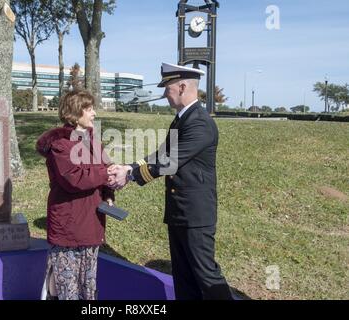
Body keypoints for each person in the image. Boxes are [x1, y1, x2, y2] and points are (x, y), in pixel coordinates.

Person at [108, 62, 233, 300]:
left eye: (168, 87)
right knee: (184, 276)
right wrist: (129, 167)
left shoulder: (199, 123)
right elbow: (161, 154)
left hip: (195, 214)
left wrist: (131, 175)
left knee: (206, 276)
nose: (165, 93)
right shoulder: (181, 119)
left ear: (183, 86)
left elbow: (170, 161)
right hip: (179, 211)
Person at [36, 90, 114, 300]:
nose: (94, 113)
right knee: (66, 288)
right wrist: (107, 173)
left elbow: (104, 170)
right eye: (89, 109)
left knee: (88, 287)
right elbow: (75, 179)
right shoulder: (61, 145)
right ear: (74, 112)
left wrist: (109, 191)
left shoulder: (93, 142)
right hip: (68, 228)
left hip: (91, 224)